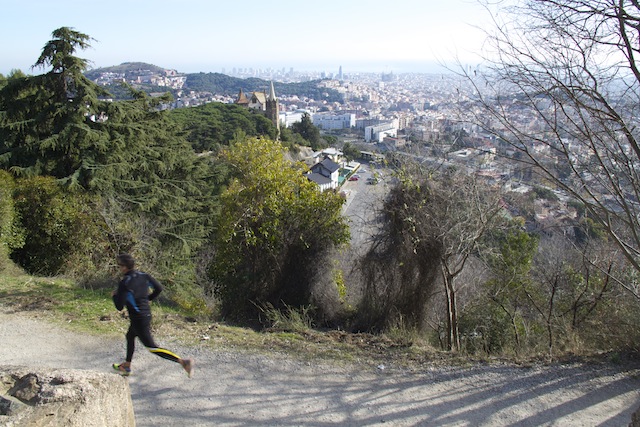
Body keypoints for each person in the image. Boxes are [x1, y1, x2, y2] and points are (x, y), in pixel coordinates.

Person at [111, 253, 194, 378]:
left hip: (139, 319)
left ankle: (183, 362)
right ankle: (127, 365)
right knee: (130, 336)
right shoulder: (144, 276)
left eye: (120, 265)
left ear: (124, 267)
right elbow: (159, 288)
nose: (119, 268)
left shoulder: (125, 282)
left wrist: (114, 296)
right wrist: (148, 298)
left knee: (152, 348)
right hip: (145, 315)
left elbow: (119, 306)